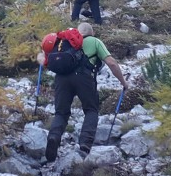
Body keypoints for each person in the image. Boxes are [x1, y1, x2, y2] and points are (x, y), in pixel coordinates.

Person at [39, 22, 129, 162]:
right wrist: (123, 82)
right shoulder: (94, 41)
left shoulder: (64, 42)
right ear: (91, 33)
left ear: (78, 32)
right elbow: (111, 63)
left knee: (61, 113)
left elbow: (44, 61)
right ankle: (84, 146)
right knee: (91, 110)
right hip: (84, 78)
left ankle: (54, 137)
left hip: (61, 80)